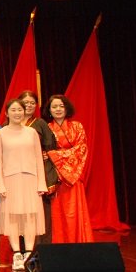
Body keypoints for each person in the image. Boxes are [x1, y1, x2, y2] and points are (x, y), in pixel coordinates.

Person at [0, 99, 47, 270]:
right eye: (13, 110)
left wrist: (41, 183)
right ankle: (17, 253)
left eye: (20, 110)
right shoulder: (0, 134)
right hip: (10, 179)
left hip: (30, 179)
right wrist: (0, 184)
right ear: (7, 113)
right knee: (13, 217)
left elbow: (38, 159)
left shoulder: (32, 132)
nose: (17, 113)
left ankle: (28, 253)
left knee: (30, 216)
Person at [43, 94, 94, 243]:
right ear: (49, 110)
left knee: (73, 211)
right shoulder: (46, 128)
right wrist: (46, 155)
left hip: (72, 175)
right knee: (55, 212)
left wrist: (54, 155)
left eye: (61, 106)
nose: (58, 109)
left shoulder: (77, 127)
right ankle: (58, 244)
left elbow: (81, 149)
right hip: (53, 176)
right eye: (54, 107)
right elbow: (41, 150)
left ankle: (76, 242)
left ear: (67, 108)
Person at [19, 90, 59, 245]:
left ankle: (42, 247)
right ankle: (22, 248)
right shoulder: (10, 124)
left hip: (37, 172)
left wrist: (46, 154)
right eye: (26, 102)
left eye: (32, 103)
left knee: (42, 211)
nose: (29, 106)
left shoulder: (40, 123)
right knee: (20, 211)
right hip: (17, 173)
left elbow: (51, 146)